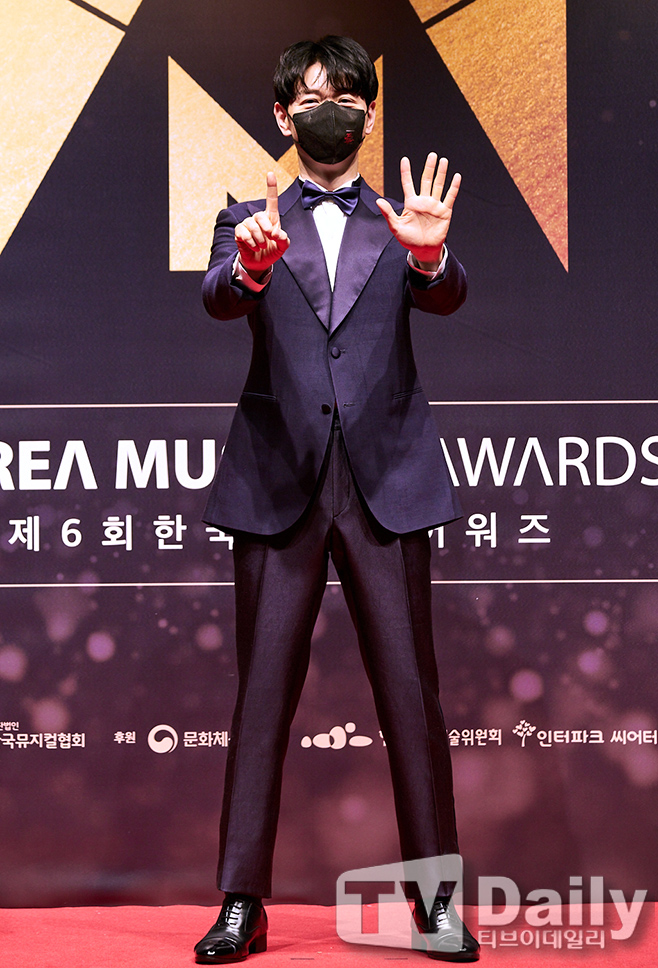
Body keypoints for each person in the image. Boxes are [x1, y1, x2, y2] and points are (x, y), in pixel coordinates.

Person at [195, 35, 479, 963]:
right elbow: (220, 298)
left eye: (350, 95)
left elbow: (447, 295)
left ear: (369, 112)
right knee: (260, 701)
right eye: (316, 96)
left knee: (411, 698)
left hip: (386, 482)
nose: (335, 108)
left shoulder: (403, 219)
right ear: (284, 115)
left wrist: (430, 259)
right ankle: (241, 903)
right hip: (278, 481)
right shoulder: (247, 218)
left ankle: (435, 904)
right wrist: (251, 267)